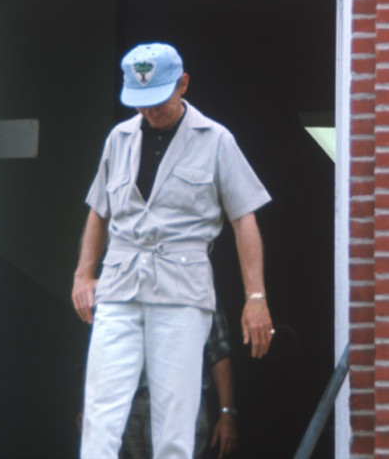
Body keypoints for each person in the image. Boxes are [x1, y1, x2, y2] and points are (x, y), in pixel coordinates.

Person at [72, 42, 274, 459]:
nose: (150, 112)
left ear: (183, 84)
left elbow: (244, 219)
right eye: (141, 103)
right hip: (120, 287)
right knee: (100, 413)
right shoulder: (119, 138)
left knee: (175, 423)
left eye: (159, 101)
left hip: (181, 291)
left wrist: (256, 297)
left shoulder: (216, 139)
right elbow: (98, 212)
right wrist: (83, 274)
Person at [120, 309, 238, 459]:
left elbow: (219, 352)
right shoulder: (128, 288)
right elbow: (104, 348)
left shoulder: (198, 288)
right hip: (132, 405)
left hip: (181, 403)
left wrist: (227, 413)